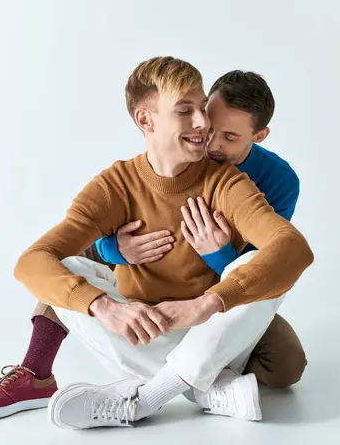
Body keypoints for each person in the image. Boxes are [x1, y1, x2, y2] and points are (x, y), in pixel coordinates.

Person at [0, 57, 313, 429]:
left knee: (259, 272)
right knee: (64, 266)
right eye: (188, 111)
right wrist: (105, 304)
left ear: (258, 136)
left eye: (205, 115)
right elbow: (32, 261)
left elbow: (291, 251)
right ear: (145, 120)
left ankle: (149, 396)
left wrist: (208, 297)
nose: (204, 127)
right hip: (143, 324)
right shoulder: (115, 184)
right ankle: (204, 388)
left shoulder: (235, 181)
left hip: (210, 319)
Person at [94, 70, 306, 390]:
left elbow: (260, 269)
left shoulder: (279, 181)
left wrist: (219, 255)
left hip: (216, 291)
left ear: (259, 136)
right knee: (66, 256)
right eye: (210, 127)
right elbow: (124, 203)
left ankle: (197, 371)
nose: (211, 144)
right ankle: (35, 371)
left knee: (286, 364)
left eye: (230, 137)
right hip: (150, 269)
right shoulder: (185, 147)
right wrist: (114, 249)